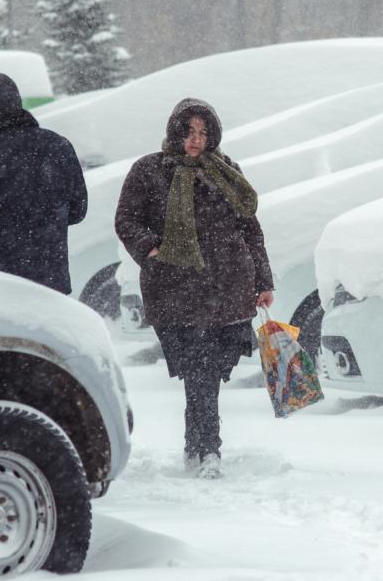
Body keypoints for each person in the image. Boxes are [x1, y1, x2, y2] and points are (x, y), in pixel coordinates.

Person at [114, 97, 274, 479]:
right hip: (176, 289)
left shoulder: (226, 171)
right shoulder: (150, 170)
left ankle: (199, 447)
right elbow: (126, 218)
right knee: (199, 369)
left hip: (228, 286)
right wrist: (151, 248)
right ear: (175, 130)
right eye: (189, 131)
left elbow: (250, 228)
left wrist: (263, 280)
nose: (196, 140)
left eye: (203, 133)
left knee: (209, 371)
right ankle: (207, 451)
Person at [0, 72, 88, 294]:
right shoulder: (57, 145)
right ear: (18, 103)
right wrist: (44, 222)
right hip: (49, 278)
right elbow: (78, 210)